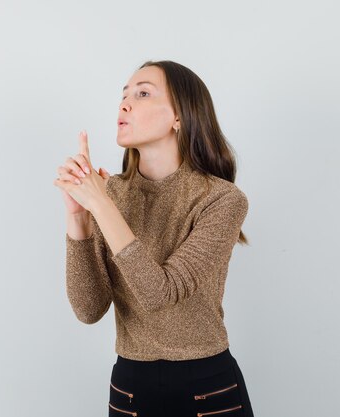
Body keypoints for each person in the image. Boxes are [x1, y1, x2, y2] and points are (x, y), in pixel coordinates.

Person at [53, 60, 255, 417]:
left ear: (180, 116)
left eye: (143, 93)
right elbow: (88, 309)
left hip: (206, 387)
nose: (125, 104)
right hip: (131, 386)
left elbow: (159, 294)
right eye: (124, 95)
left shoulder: (222, 200)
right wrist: (79, 218)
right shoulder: (109, 195)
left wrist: (101, 205)